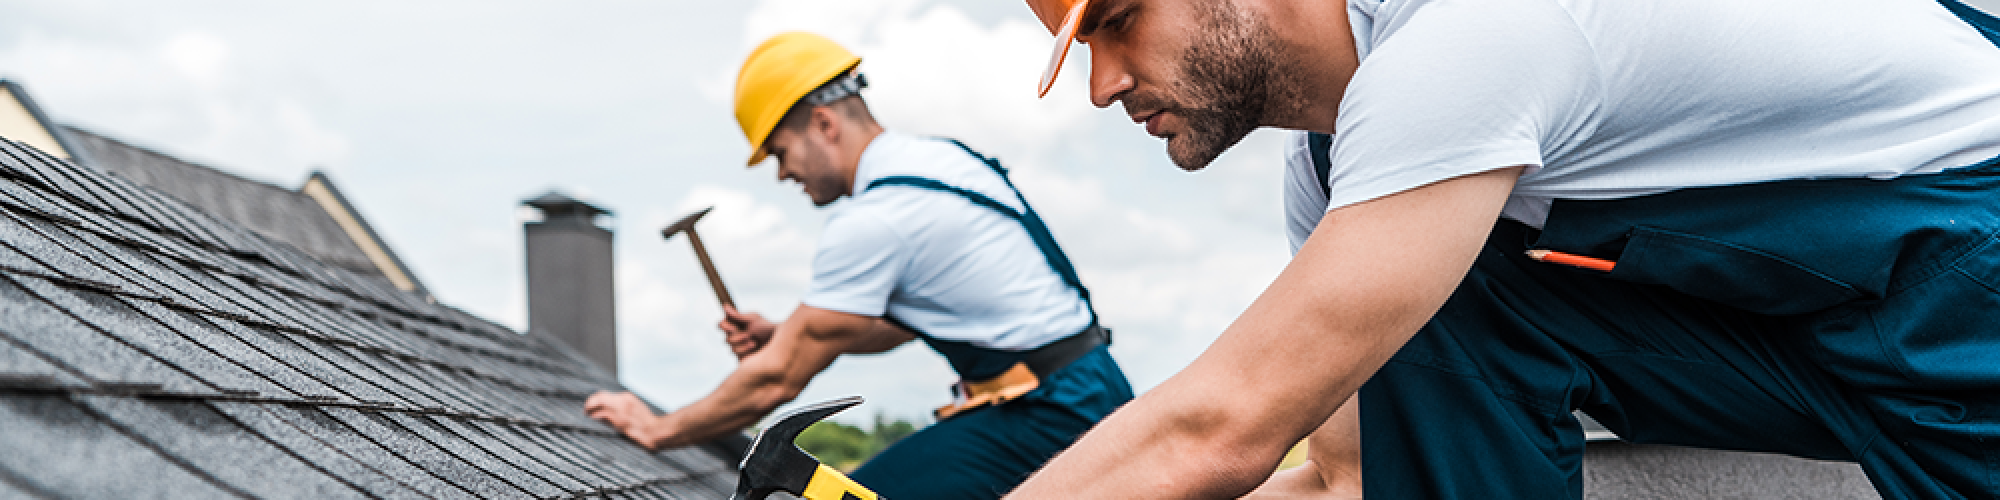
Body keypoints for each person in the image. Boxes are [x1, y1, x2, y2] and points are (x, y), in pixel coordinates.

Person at [1000, 0, 2000, 497]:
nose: (1101, 87)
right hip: (1838, 315)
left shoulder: (1462, 44)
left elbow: (1217, 425)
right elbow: (1349, 470)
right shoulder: (1341, 174)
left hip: (1968, 264)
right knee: (1441, 311)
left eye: (1119, 24)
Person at [583, 31, 1133, 499]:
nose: (781, 174)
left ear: (823, 124)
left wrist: (657, 428)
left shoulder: (876, 218)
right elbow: (898, 325)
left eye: (779, 152)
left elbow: (774, 380)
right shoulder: (941, 161)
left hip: (1048, 413)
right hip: (1084, 388)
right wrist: (785, 331)